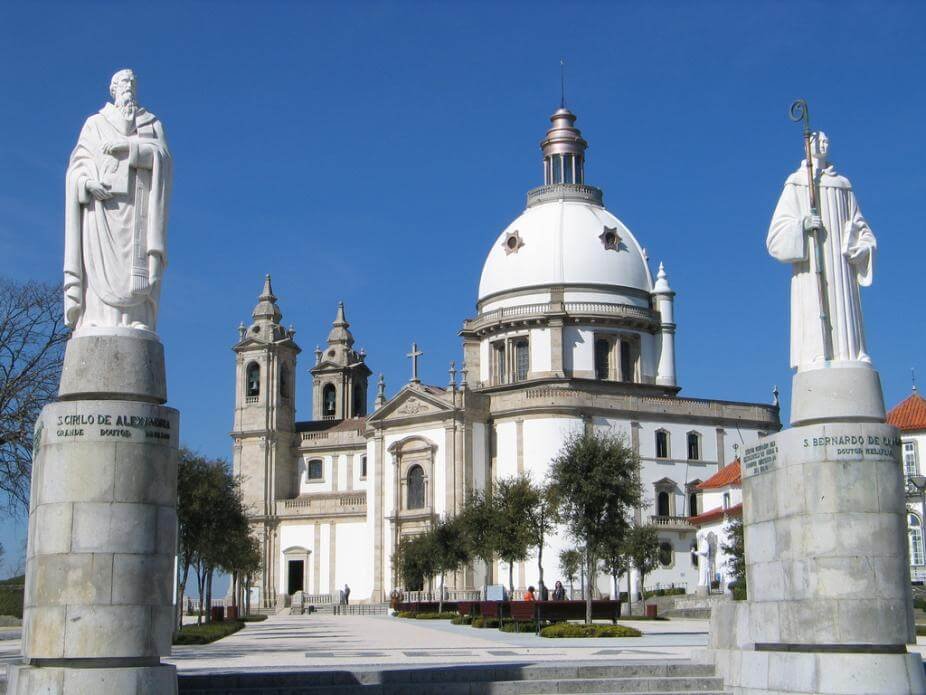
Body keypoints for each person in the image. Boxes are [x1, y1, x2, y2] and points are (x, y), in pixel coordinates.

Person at [65, 69, 172, 333]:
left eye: (133, 82)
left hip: (138, 210)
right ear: (113, 88)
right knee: (99, 265)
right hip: (101, 210)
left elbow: (164, 159)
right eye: (124, 82)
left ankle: (135, 317)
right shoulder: (95, 124)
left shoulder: (150, 123)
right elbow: (77, 166)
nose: (130, 86)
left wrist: (129, 147)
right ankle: (96, 315)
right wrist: (87, 184)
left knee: (133, 271)